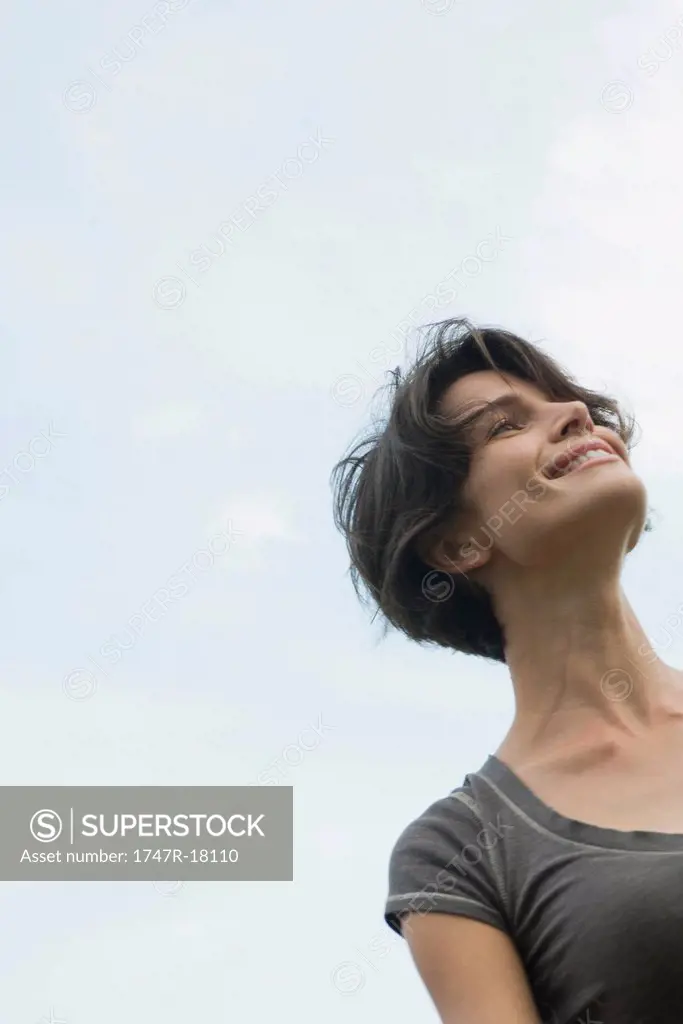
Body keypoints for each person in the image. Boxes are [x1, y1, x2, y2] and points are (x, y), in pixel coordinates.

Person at [330, 318, 683, 1024]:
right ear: (456, 543)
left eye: (566, 401)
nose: (574, 414)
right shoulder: (457, 854)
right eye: (503, 427)